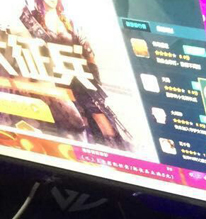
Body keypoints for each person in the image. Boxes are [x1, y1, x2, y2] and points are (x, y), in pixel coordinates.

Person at [17, 0, 132, 149]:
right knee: (76, 125)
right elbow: (25, 51)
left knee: (102, 119)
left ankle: (114, 150)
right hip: (57, 83)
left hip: (82, 79)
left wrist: (94, 80)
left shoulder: (69, 21)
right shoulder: (32, 20)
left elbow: (88, 53)